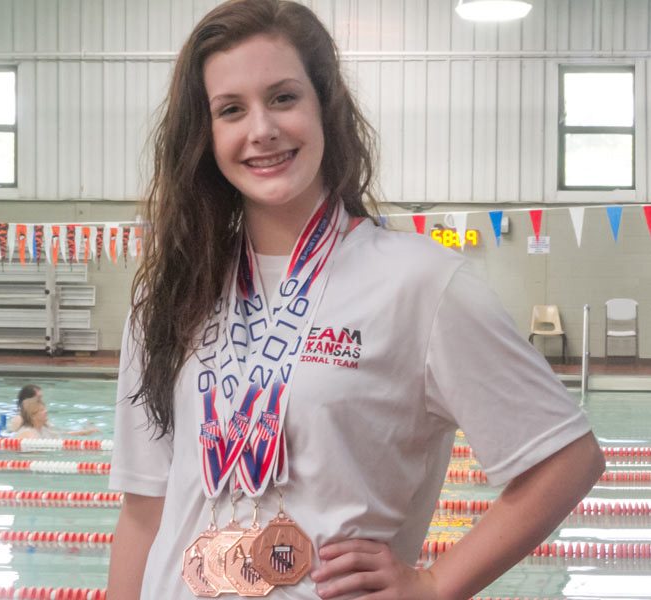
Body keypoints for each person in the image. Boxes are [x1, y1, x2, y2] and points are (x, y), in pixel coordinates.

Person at [108, 1, 605, 599]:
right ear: (205, 136)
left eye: (284, 97)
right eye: (231, 110)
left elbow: (567, 458)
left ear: (326, 107)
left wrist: (433, 584)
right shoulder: (170, 298)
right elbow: (143, 514)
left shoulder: (420, 284)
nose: (260, 128)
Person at [10, 384, 99, 439]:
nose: (45, 411)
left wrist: (84, 432)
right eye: (39, 398)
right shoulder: (21, 423)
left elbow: (58, 434)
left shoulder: (41, 426)